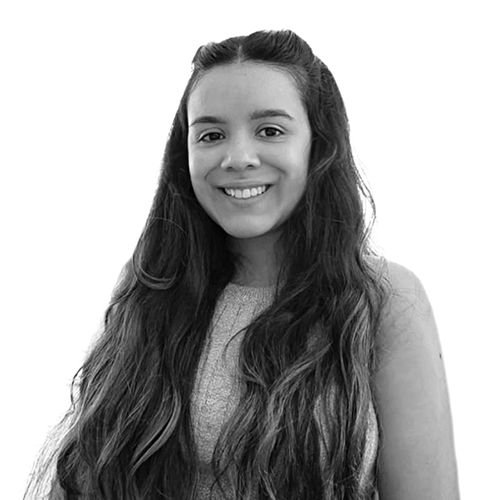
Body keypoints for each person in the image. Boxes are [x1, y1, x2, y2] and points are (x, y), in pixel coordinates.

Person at [25, 29, 459, 499]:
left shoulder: (383, 300)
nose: (237, 158)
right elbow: (84, 474)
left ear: (318, 144)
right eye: (211, 135)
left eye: (270, 130)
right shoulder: (150, 282)